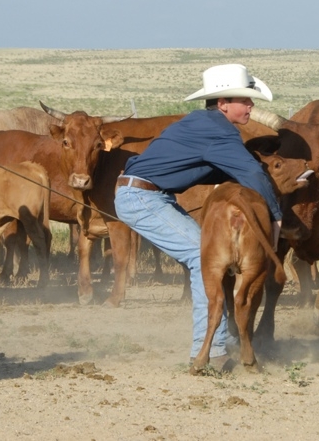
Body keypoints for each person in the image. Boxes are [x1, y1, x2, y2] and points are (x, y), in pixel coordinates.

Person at [114, 63, 283, 368]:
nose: (250, 106)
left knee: (207, 259)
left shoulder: (198, 122)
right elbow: (250, 173)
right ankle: (213, 350)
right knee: (202, 257)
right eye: (244, 100)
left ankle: (223, 340)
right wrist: (276, 216)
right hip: (142, 197)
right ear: (223, 104)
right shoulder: (220, 132)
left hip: (143, 193)